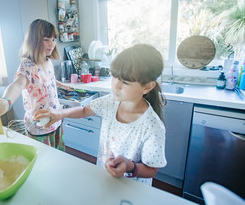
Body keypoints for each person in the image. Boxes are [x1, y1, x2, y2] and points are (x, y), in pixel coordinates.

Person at [34, 44, 167, 185]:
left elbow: (151, 169)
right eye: (114, 76)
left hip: (131, 185)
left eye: (125, 82)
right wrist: (60, 113)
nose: (115, 85)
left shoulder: (152, 126)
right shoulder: (111, 101)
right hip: (104, 173)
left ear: (147, 87)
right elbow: (84, 110)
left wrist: (129, 166)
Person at [0, 19, 73, 151]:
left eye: (53, 39)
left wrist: (63, 85)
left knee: (58, 158)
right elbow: (18, 84)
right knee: (44, 162)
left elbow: (48, 79)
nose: (52, 44)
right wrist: (6, 100)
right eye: (47, 39)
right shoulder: (27, 65)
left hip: (55, 120)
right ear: (34, 41)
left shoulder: (47, 61)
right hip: (39, 127)